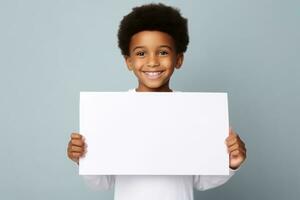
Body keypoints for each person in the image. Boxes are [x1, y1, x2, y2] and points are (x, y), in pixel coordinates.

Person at [67, 3, 247, 200]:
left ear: (178, 59)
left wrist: (230, 163)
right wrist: (83, 158)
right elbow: (102, 184)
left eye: (162, 52)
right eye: (141, 53)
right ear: (129, 61)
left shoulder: (193, 112)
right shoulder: (112, 111)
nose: (152, 62)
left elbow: (201, 180)